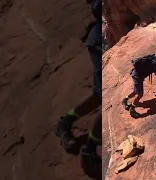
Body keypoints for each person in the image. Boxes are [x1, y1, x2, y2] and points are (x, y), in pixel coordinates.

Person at [55, 0, 102, 179]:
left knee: (100, 95)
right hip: (102, 40)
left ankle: (66, 121)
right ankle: (89, 150)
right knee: (110, 98)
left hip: (102, 37)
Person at [122, 53, 156, 118]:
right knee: (140, 94)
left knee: (135, 91)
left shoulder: (155, 57)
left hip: (136, 74)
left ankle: (125, 99)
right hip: (137, 77)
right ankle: (132, 109)